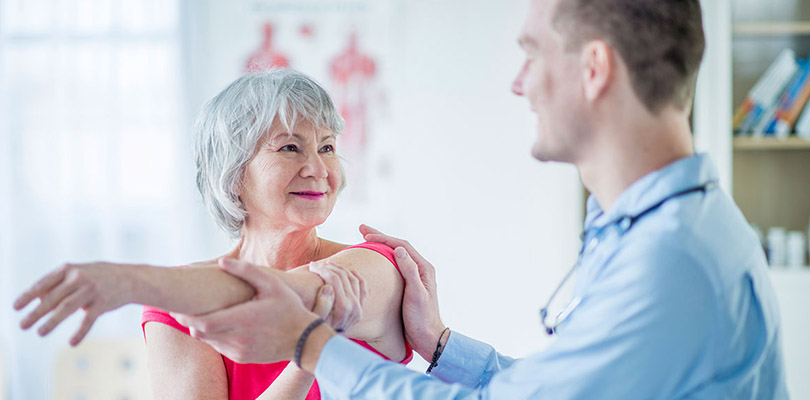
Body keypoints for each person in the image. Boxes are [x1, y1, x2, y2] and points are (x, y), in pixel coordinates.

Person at [169, 0, 789, 398]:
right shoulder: (653, 232)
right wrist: (441, 347)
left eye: (531, 53)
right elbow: (555, 388)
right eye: (288, 148)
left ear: (594, 69)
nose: (518, 84)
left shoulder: (668, 260)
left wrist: (309, 343)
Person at [13, 69, 411, 400]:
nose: (318, 168)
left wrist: (134, 281)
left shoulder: (376, 264)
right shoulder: (178, 308)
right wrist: (305, 358)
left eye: (326, 147)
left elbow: (288, 293)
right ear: (235, 174)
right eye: (290, 147)